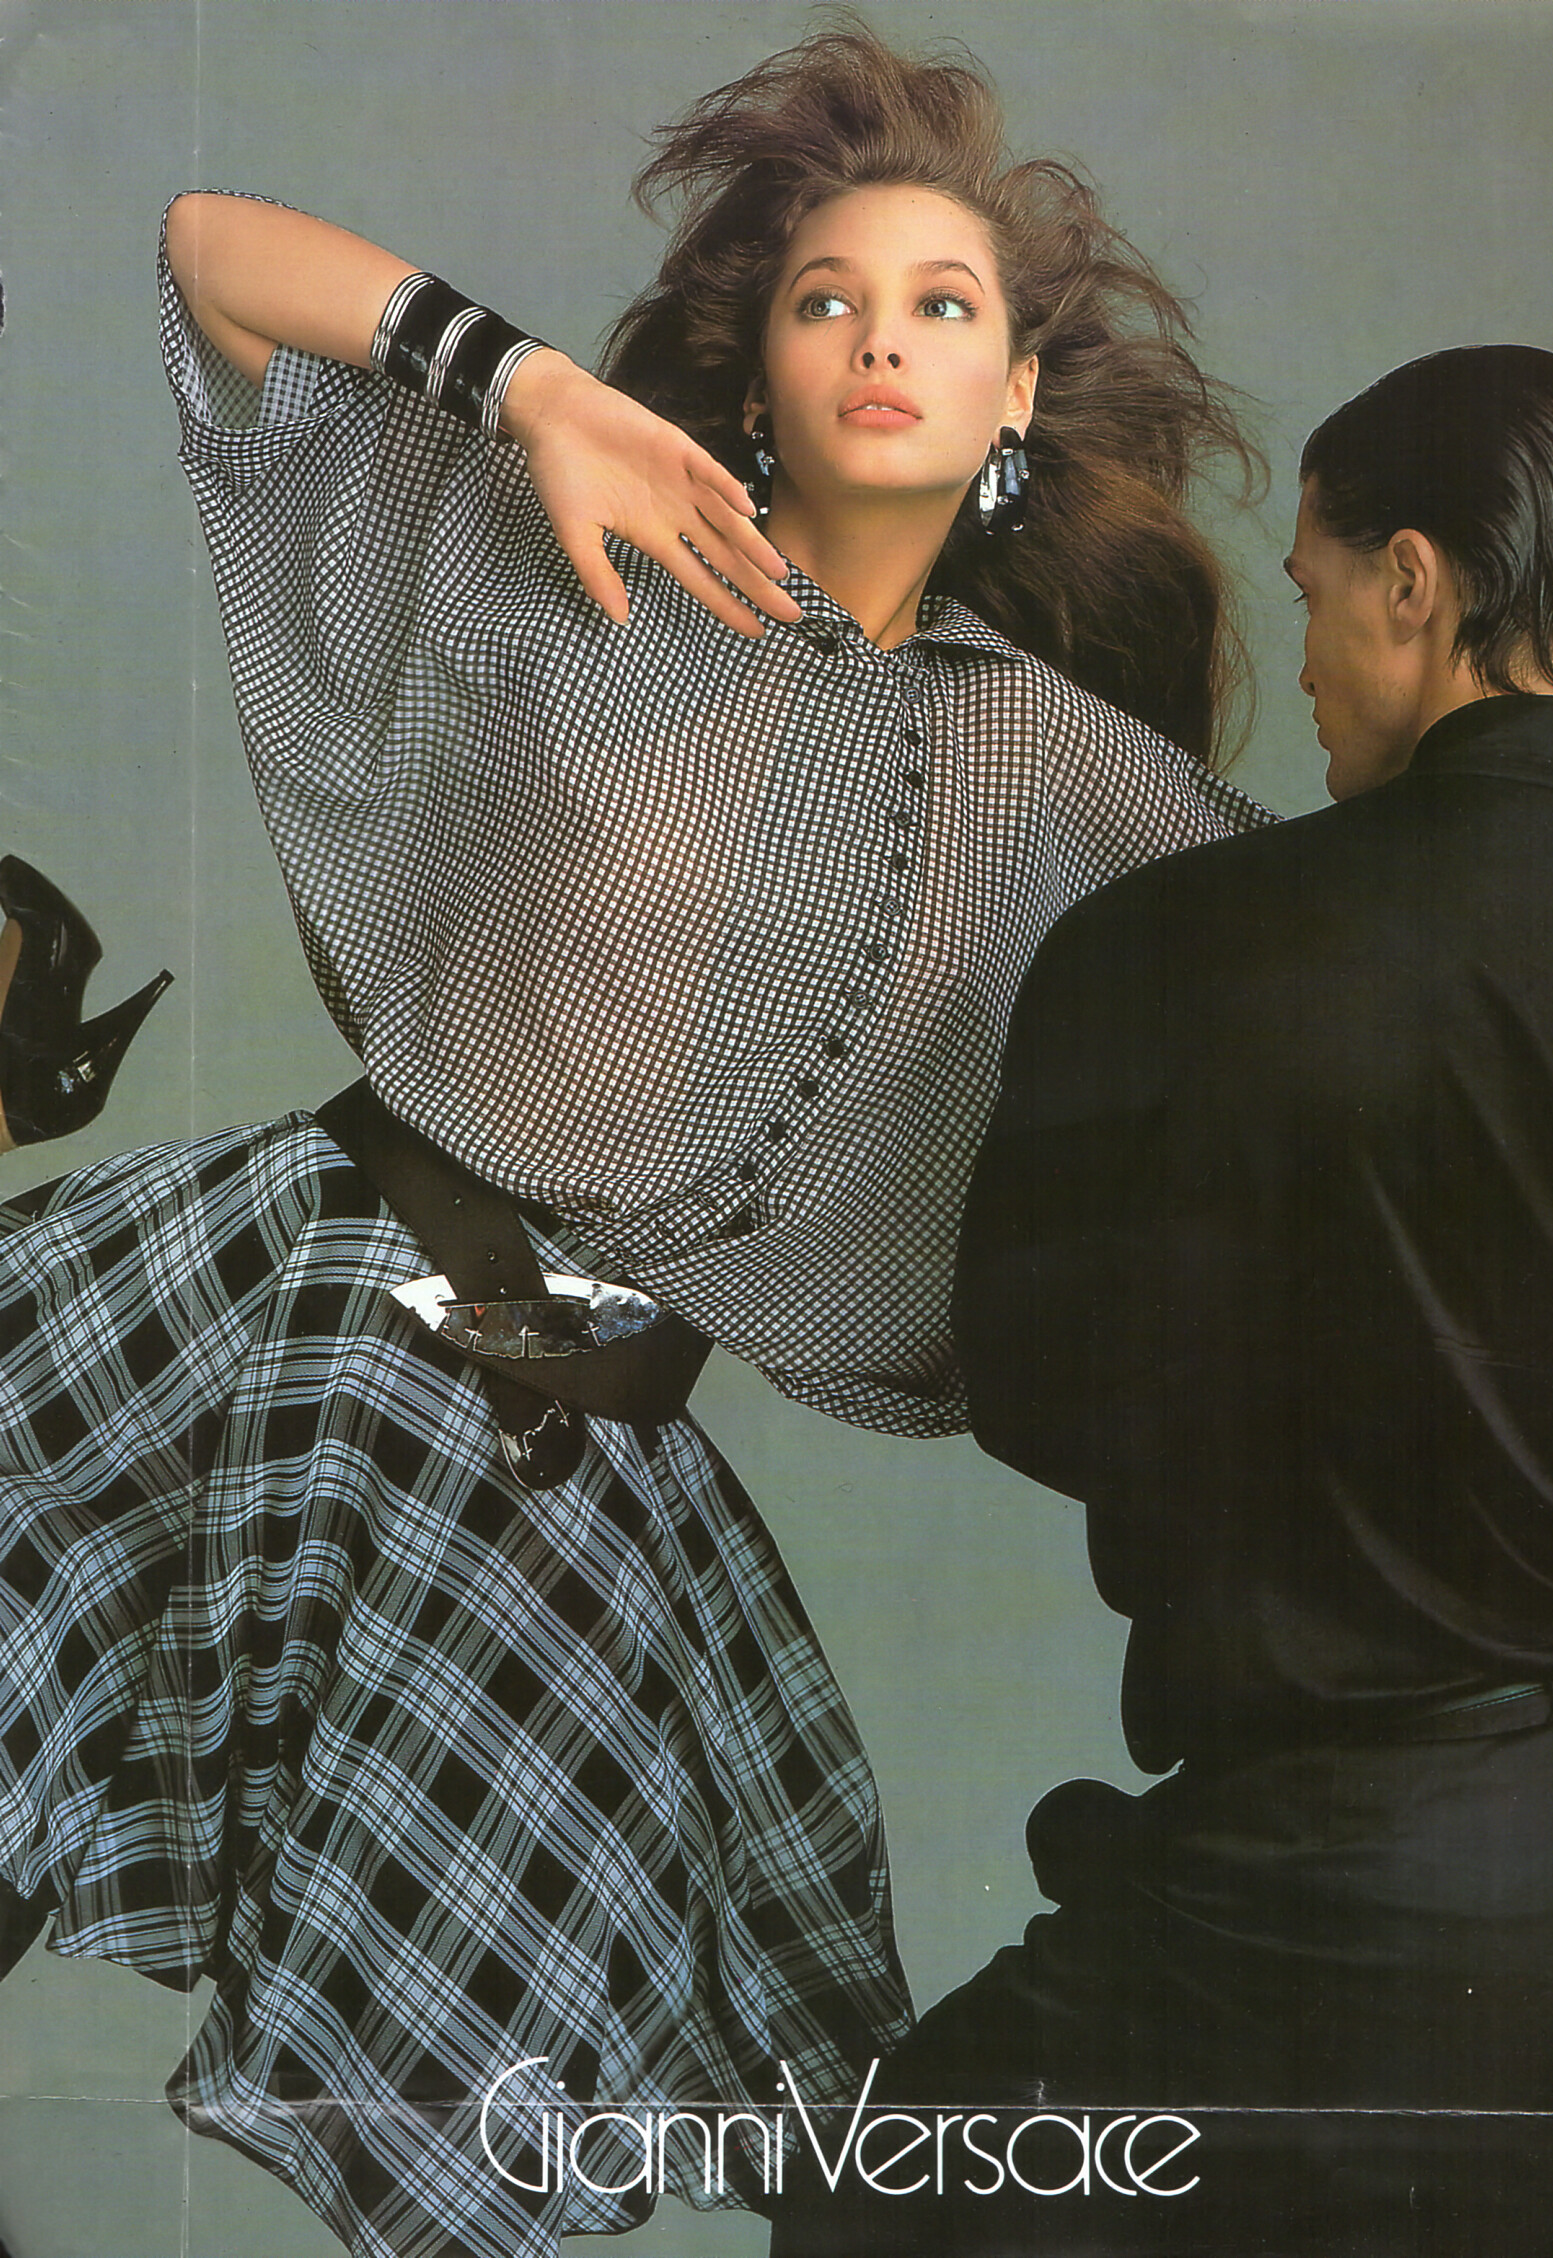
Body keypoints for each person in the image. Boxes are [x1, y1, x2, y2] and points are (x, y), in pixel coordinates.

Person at [0, 23, 1267, 2258]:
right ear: (757, 371)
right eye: (824, 299)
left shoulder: (1077, 784)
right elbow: (207, 254)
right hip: (287, 1308)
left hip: (551, 1465)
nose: (878, 338)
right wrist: (516, 386)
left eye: (939, 306)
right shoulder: (581, 541)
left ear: (1012, 401)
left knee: (656, 2121)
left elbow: (1350, 966)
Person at [774, 346, 1553, 2258]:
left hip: (1329, 1894)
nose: (1300, 667)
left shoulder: (1177, 942)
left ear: (1414, 583)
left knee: (869, 2202)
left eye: (1310, 594)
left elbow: (1034, 1389)